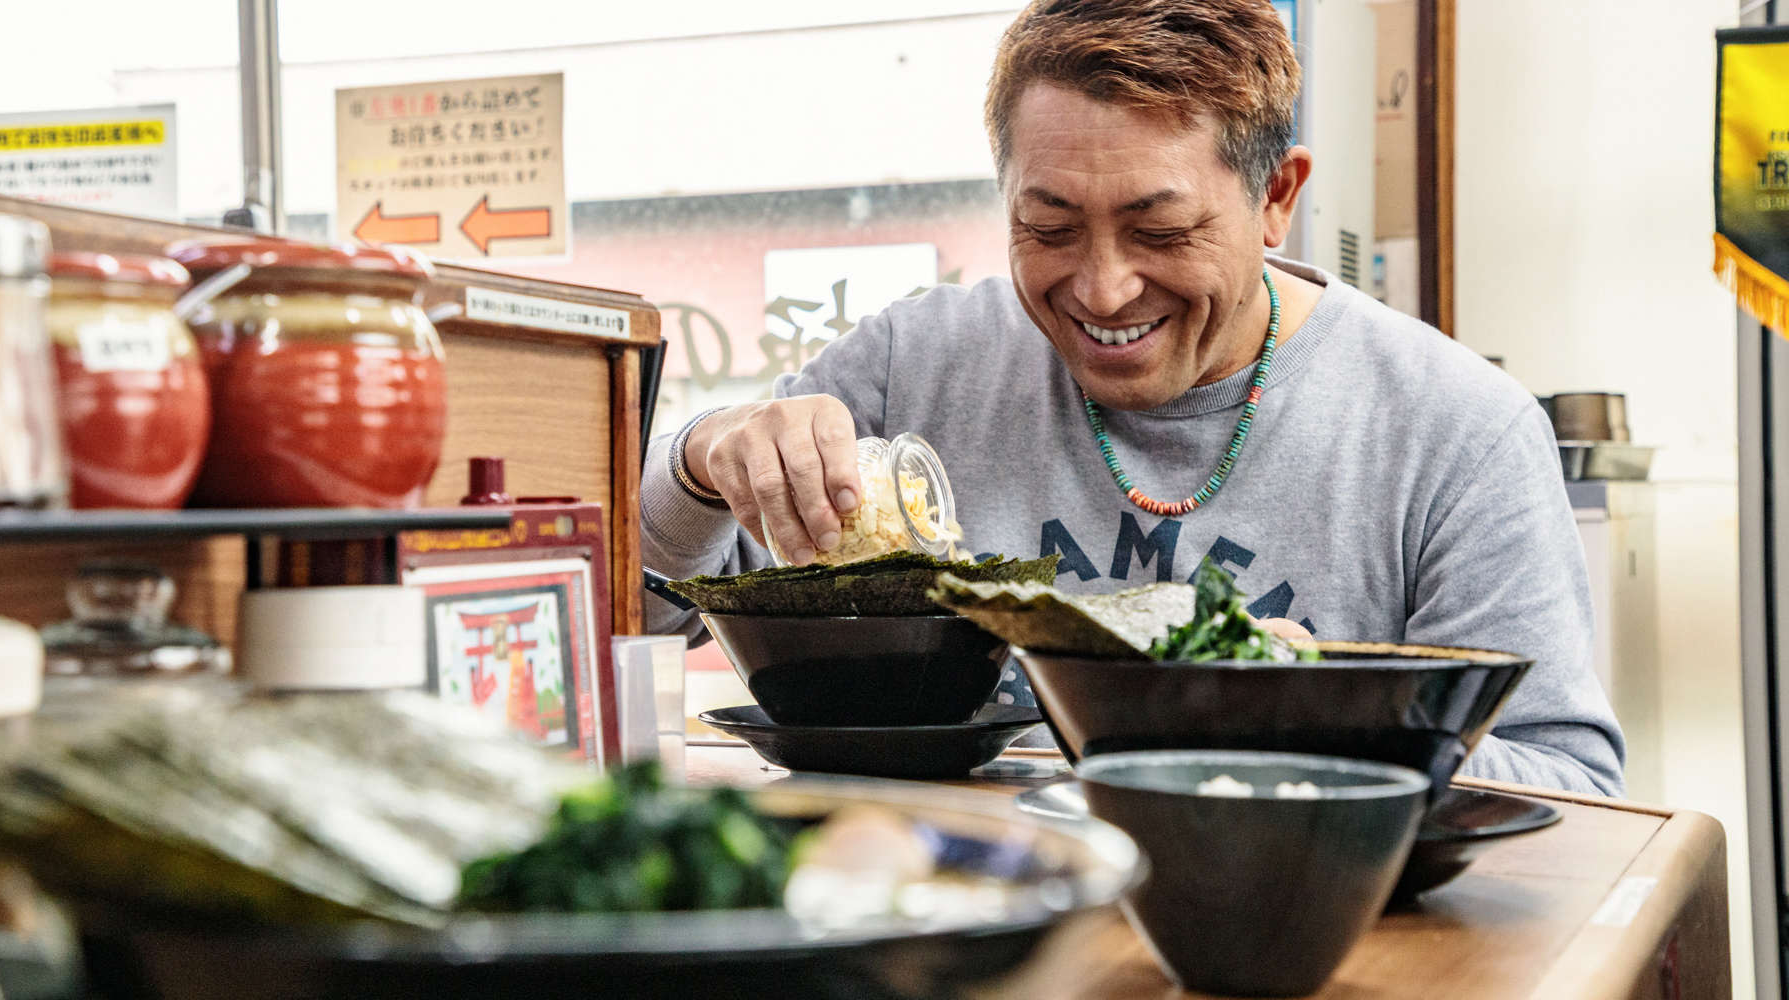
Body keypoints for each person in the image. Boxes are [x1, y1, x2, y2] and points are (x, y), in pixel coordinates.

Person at [640, 0, 1623, 795]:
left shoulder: (1453, 428)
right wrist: (703, 458)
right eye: (1049, 226)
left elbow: (1562, 778)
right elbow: (646, 608)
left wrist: (1312, 722)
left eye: (1158, 230)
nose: (1101, 290)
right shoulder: (916, 364)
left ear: (1275, 195)